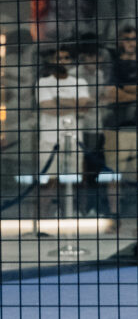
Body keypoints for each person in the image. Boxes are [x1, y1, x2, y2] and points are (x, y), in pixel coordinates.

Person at [102, 25, 138, 237]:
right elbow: (111, 93)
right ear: (120, 41)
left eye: (134, 38)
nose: (130, 42)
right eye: (126, 38)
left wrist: (126, 89)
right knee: (114, 173)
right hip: (118, 126)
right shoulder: (114, 65)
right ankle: (115, 216)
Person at [36, 45, 92, 221]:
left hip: (74, 139)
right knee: (48, 182)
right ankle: (43, 220)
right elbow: (48, 108)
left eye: (66, 57)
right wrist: (74, 104)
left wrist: (59, 100)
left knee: (76, 180)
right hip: (50, 140)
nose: (62, 61)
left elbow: (86, 105)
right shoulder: (43, 83)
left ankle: (74, 215)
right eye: (58, 58)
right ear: (52, 61)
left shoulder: (80, 82)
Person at [76, 34, 112, 217]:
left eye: (96, 56)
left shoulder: (99, 74)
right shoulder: (75, 74)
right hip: (81, 128)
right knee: (80, 170)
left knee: (96, 169)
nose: (94, 60)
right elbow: (81, 103)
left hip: (97, 126)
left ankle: (95, 207)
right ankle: (79, 207)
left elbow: (104, 99)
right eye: (90, 56)